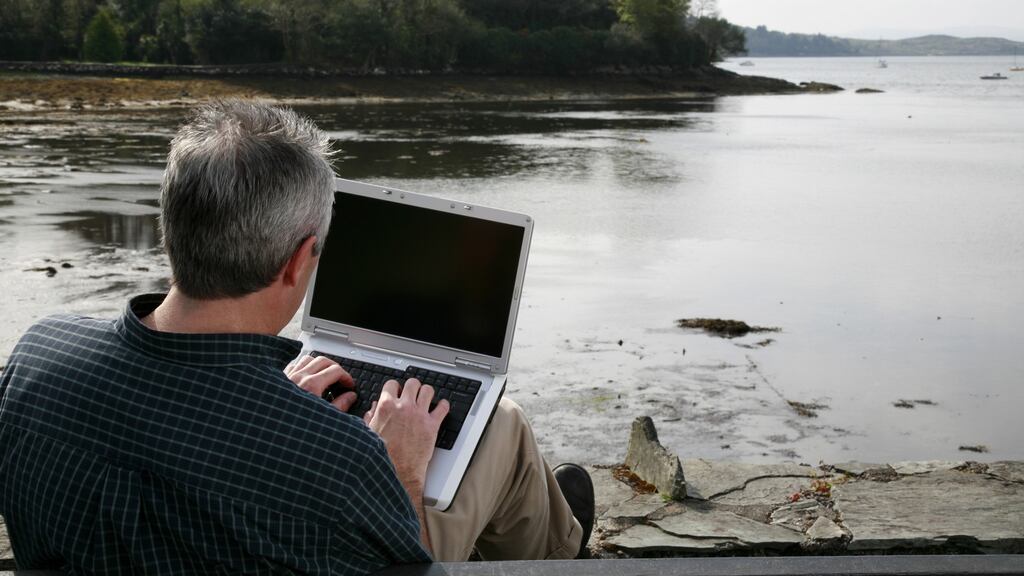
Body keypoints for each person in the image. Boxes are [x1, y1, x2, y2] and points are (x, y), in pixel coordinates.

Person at [0, 101, 594, 574]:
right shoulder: (339, 459)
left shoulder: (37, 354)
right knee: (504, 422)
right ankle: (564, 559)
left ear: (170, 228)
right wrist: (401, 468)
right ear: (299, 261)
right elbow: (400, 564)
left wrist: (268, 406)